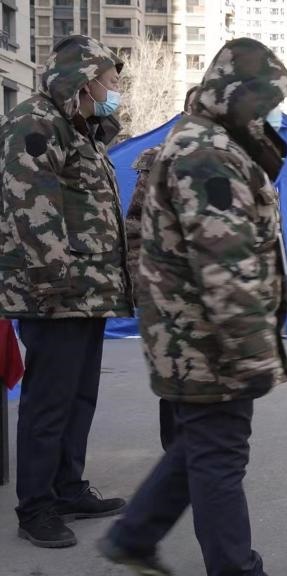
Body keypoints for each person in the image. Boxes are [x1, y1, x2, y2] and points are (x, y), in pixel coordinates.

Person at [99, 38, 287, 576]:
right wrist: (254, 353)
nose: (272, 113)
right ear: (238, 96)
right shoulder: (208, 153)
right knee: (218, 456)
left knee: (201, 445)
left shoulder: (209, 144)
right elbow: (224, 261)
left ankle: (133, 536)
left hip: (194, 333)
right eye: (266, 101)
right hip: (206, 339)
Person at [0, 35, 130, 549]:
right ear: (84, 79)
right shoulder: (35, 121)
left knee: (78, 396)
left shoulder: (80, 128)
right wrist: (53, 281)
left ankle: (68, 488)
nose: (115, 91)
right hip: (55, 289)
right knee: (48, 402)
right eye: (111, 81)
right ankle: (35, 507)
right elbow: (31, 206)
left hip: (88, 289)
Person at [124, 87, 198, 451]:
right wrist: (143, 286)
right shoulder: (158, 159)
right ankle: (177, 458)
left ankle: (203, 455)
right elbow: (136, 227)